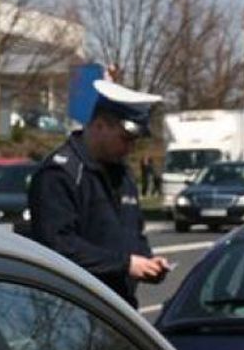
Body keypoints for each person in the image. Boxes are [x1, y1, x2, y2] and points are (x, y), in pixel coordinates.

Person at [28, 78, 170, 308]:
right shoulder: (61, 174)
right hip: (72, 307)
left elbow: (132, 233)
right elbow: (58, 245)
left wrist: (148, 262)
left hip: (119, 305)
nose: (130, 148)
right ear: (100, 126)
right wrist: (125, 264)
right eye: (125, 139)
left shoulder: (122, 174)